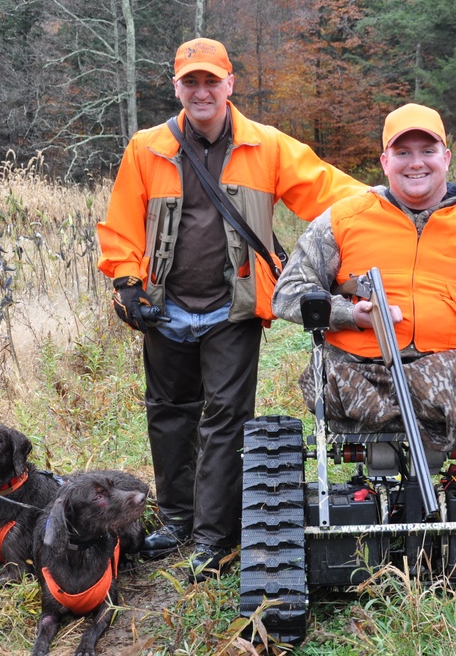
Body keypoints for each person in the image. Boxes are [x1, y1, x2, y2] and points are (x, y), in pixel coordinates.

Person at [96, 37, 366, 582]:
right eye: (190, 82)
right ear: (175, 87)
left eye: (210, 81)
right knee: (169, 415)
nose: (201, 92)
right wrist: (127, 283)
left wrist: (395, 201)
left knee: (225, 421)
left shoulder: (266, 147)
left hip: (234, 308)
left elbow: (335, 195)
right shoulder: (147, 147)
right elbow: (121, 224)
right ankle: (176, 522)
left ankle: (214, 540)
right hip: (164, 309)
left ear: (229, 85)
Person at [272, 103, 456, 451]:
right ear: (385, 162)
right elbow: (287, 293)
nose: (416, 162)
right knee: (335, 384)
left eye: (428, 151)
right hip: (358, 377)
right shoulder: (343, 219)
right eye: (403, 152)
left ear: (447, 157)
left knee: (455, 381)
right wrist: (350, 315)